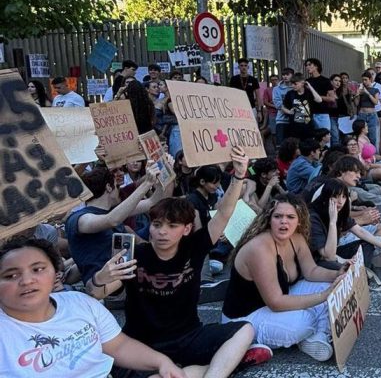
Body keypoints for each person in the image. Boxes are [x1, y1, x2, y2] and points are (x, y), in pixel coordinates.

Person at [89, 147, 271, 376]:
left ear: (186, 229)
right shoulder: (135, 256)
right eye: (157, 225)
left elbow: (224, 213)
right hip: (142, 346)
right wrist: (100, 279)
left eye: (171, 226)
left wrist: (238, 176)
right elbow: (96, 293)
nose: (162, 232)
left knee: (245, 330)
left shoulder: (194, 246)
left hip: (187, 337)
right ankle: (204, 369)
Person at [0, 237, 187, 377]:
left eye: (38, 269)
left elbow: (118, 346)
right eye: (11, 275)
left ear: (56, 274)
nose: (27, 281)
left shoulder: (80, 302)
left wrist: (162, 362)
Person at [220, 194, 348, 361]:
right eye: (278, 216)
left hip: (276, 300)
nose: (284, 222)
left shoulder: (296, 238)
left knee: (328, 285)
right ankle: (252, 342)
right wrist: (323, 297)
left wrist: (337, 274)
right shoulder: (259, 248)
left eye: (290, 217)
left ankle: (316, 337)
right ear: (269, 219)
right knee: (304, 321)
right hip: (245, 318)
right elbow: (275, 302)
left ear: (299, 220)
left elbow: (311, 271)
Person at [65, 163, 171, 286]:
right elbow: (112, 220)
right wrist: (146, 183)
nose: (119, 191)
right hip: (102, 289)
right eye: (117, 186)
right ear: (109, 187)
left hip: (126, 281)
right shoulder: (80, 218)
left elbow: (153, 202)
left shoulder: (113, 210)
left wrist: (165, 170)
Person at [306, 179, 381, 270]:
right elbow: (328, 256)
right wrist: (332, 222)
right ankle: (365, 270)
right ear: (326, 197)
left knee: (367, 244)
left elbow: (360, 231)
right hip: (318, 260)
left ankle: (365, 270)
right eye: (336, 196)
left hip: (334, 252)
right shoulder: (314, 218)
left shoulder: (340, 211)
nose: (340, 201)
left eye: (344, 196)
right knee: (341, 269)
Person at [282, 73, 322, 140]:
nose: (293, 86)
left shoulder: (308, 93)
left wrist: (310, 87)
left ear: (302, 83)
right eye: (292, 84)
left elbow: (319, 100)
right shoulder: (290, 94)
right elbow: (283, 107)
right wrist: (289, 112)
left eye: (295, 84)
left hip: (308, 127)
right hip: (294, 127)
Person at [304, 58, 338, 136]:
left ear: (316, 66)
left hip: (322, 113)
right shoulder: (307, 81)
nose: (307, 67)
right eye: (306, 65)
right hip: (309, 114)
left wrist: (317, 96)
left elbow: (332, 98)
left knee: (325, 137)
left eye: (309, 65)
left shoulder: (325, 81)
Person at [273, 68, 295, 149]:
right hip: (281, 120)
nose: (285, 76)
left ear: (292, 75)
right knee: (280, 146)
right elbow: (278, 104)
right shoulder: (276, 89)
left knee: (292, 146)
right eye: (283, 75)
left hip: (294, 121)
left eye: (287, 74)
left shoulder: (295, 87)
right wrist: (289, 112)